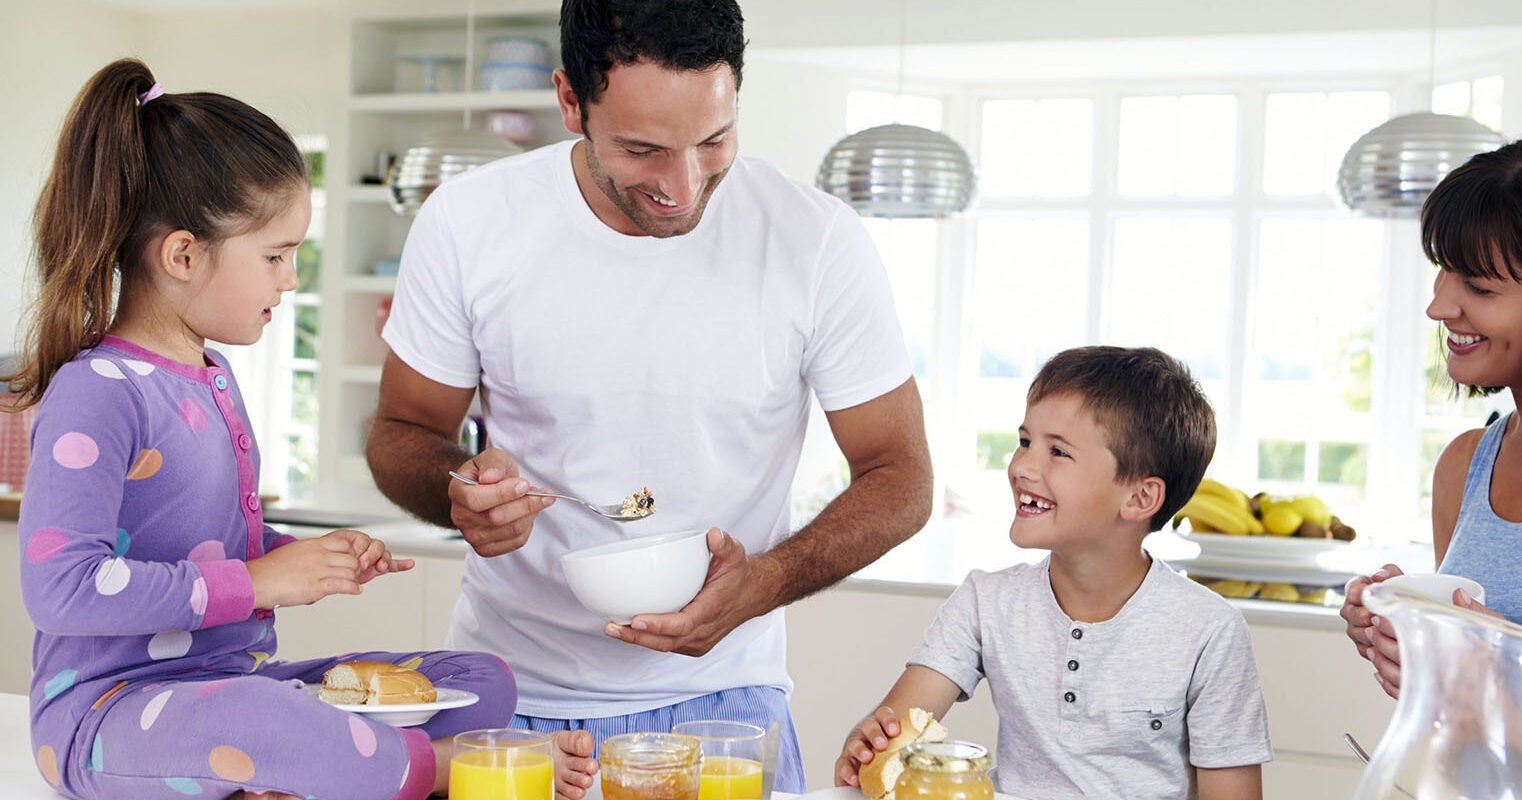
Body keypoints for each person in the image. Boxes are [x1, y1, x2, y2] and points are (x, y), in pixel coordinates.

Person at [365, 0, 933, 794]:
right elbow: (403, 429)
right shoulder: (468, 223)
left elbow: (901, 477)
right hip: (509, 703)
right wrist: (456, 488)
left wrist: (762, 584)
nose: (684, 184)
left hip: (725, 710)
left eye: (713, 141)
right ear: (570, 102)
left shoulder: (815, 240)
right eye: (642, 149)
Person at [3, 59, 523, 800]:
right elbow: (61, 590)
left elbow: (208, 549)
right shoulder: (97, 392)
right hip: (105, 716)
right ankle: (429, 773)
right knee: (260, 715)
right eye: (276, 255)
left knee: (479, 681)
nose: (290, 279)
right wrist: (256, 581)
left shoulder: (212, 375)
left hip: (228, 688)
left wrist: (302, 558)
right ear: (183, 254)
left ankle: (285, 775)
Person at [835, 347, 1272, 800]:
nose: (1022, 467)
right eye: (1025, 442)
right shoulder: (985, 601)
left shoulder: (1208, 631)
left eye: (1058, 452)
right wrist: (869, 746)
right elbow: (900, 727)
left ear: (1140, 498)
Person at [1340, 129, 1522, 796]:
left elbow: (1501, 685)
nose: (1439, 306)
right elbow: (1469, 725)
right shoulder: (1466, 464)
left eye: (1478, 285)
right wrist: (1412, 648)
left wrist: (1499, 669)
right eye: (1443, 271)